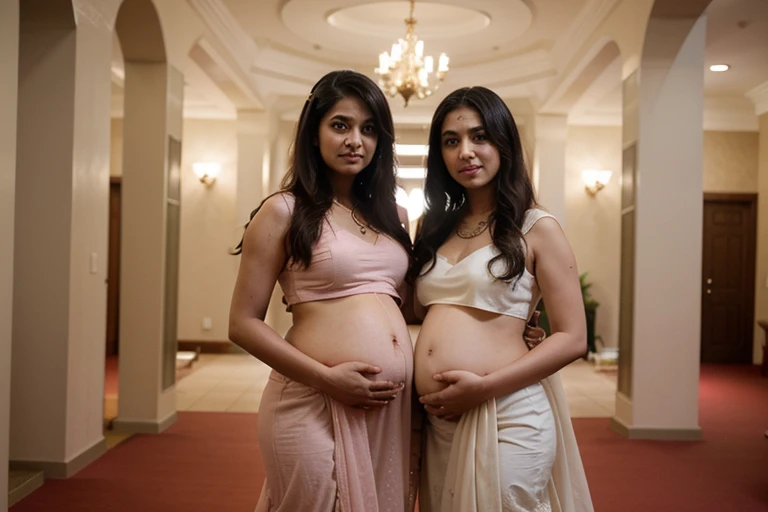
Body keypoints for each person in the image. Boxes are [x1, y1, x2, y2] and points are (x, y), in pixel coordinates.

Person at [228, 70, 418, 512]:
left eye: (369, 129)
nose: (356, 140)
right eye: (340, 125)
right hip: (312, 399)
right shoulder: (283, 211)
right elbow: (241, 324)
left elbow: (410, 307)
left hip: (387, 409)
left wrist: (509, 327)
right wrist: (329, 379)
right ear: (314, 133)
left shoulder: (395, 215)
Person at [411, 86, 594, 512]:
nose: (466, 152)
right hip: (438, 420)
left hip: (508, 411)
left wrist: (483, 387)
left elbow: (573, 337)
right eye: (451, 141)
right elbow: (417, 308)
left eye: (480, 137)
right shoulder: (433, 226)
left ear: (504, 142)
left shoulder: (537, 226)